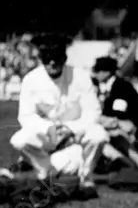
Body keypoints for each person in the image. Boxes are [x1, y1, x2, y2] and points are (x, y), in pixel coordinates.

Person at [9, 35, 107, 196]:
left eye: (57, 58)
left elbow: (93, 112)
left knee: (99, 135)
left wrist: (71, 128)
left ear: (65, 57)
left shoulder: (81, 77)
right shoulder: (31, 80)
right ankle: (46, 173)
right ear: (41, 59)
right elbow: (26, 116)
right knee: (19, 140)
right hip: (47, 135)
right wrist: (48, 128)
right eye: (47, 59)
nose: (52, 63)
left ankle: (86, 177)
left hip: (75, 134)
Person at [92, 56, 138, 171]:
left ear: (107, 72)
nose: (96, 74)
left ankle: (124, 161)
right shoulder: (100, 86)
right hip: (114, 125)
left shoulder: (121, 87)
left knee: (110, 133)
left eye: (99, 71)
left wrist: (103, 120)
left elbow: (119, 115)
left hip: (131, 128)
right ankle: (127, 161)